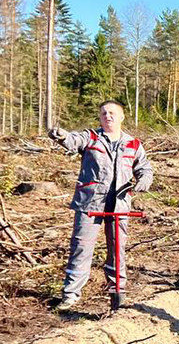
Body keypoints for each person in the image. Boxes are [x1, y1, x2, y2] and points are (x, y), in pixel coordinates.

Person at [50, 100, 153, 311]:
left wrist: (143, 181)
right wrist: (61, 135)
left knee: (118, 251)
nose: (108, 116)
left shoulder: (133, 144)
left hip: (119, 206)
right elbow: (72, 140)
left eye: (112, 112)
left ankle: (117, 293)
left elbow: (145, 169)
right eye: (104, 113)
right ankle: (70, 296)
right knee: (81, 248)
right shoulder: (91, 137)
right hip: (89, 203)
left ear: (122, 117)